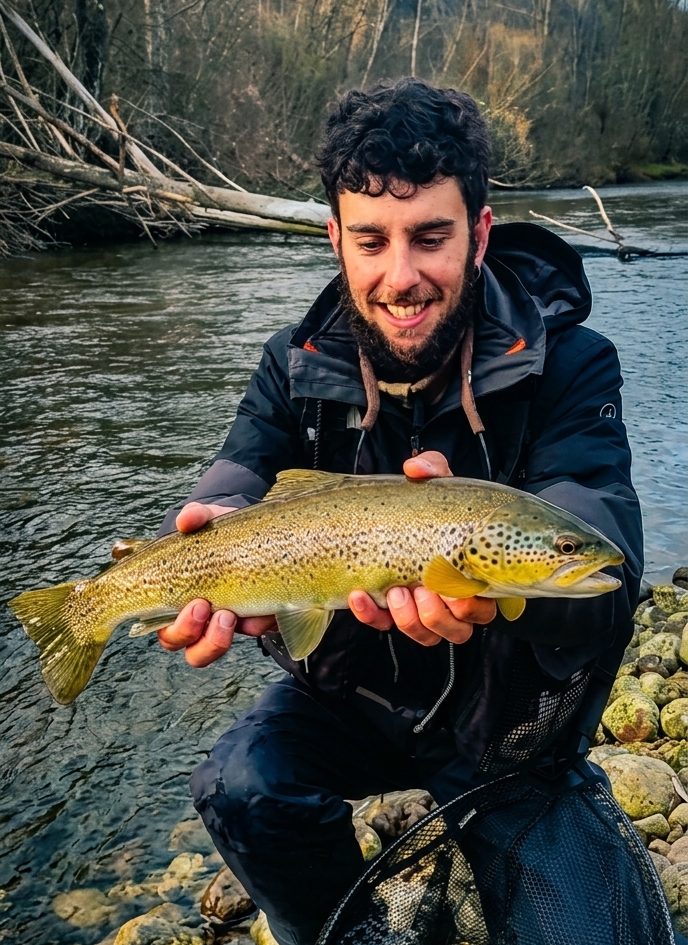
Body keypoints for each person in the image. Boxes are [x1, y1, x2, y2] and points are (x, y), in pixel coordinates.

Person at [156, 78, 643, 945]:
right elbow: (235, 476)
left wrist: (512, 592)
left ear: (480, 232)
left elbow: (599, 544)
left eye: (430, 237)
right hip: (354, 702)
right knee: (240, 783)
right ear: (336, 238)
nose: (401, 275)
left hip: (509, 733)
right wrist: (200, 536)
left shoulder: (571, 360)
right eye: (372, 241)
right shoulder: (291, 364)